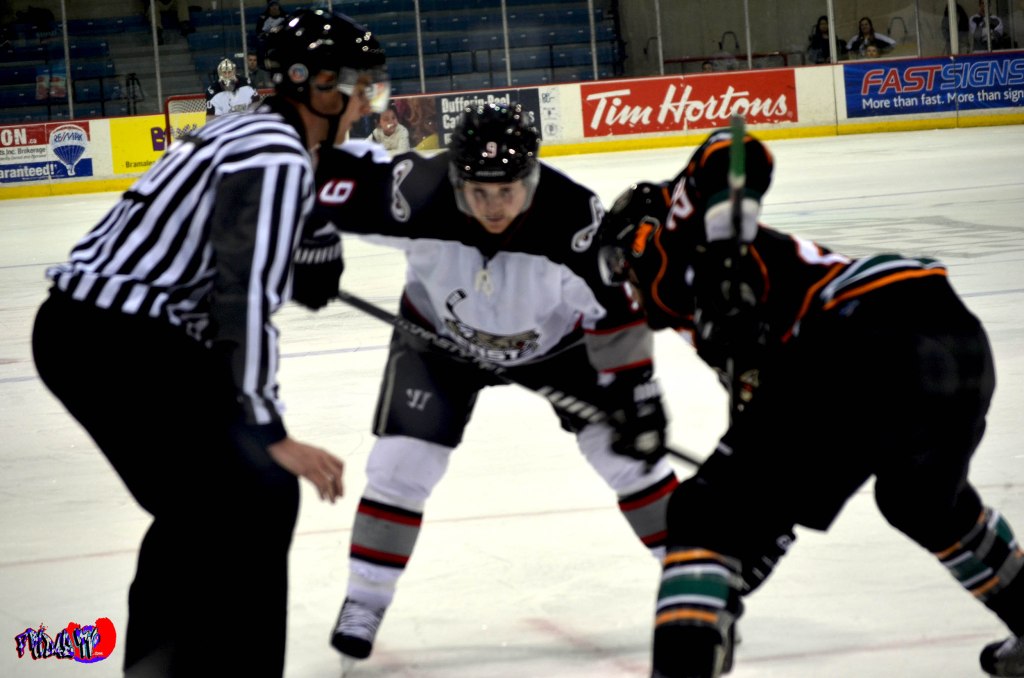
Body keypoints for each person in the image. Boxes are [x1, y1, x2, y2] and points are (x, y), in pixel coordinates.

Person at [31, 9, 388, 677]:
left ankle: (161, 665)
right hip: (121, 340)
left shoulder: (254, 135)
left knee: (209, 508)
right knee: (250, 489)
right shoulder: (275, 153)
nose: (367, 104)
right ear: (314, 85)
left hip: (104, 334)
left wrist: (318, 228)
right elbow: (243, 297)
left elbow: (298, 270)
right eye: (358, 86)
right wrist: (268, 424)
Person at [593, 128, 1024, 678]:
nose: (620, 287)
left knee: (702, 517)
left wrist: (724, 253)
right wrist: (742, 556)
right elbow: (779, 460)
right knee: (924, 506)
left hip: (867, 325)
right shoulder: (715, 333)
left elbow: (738, 148)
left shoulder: (677, 237)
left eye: (616, 266)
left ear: (640, 237)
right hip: (949, 343)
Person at [311, 103, 680, 667]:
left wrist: (636, 390)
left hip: (558, 348)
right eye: (478, 192)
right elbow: (314, 187)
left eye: (507, 191)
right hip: (440, 341)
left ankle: (696, 580)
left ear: (531, 177)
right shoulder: (418, 193)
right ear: (456, 179)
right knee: (401, 464)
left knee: (630, 461)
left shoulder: (572, 217)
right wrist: (311, 247)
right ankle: (365, 601)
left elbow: (614, 312)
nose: (493, 208)